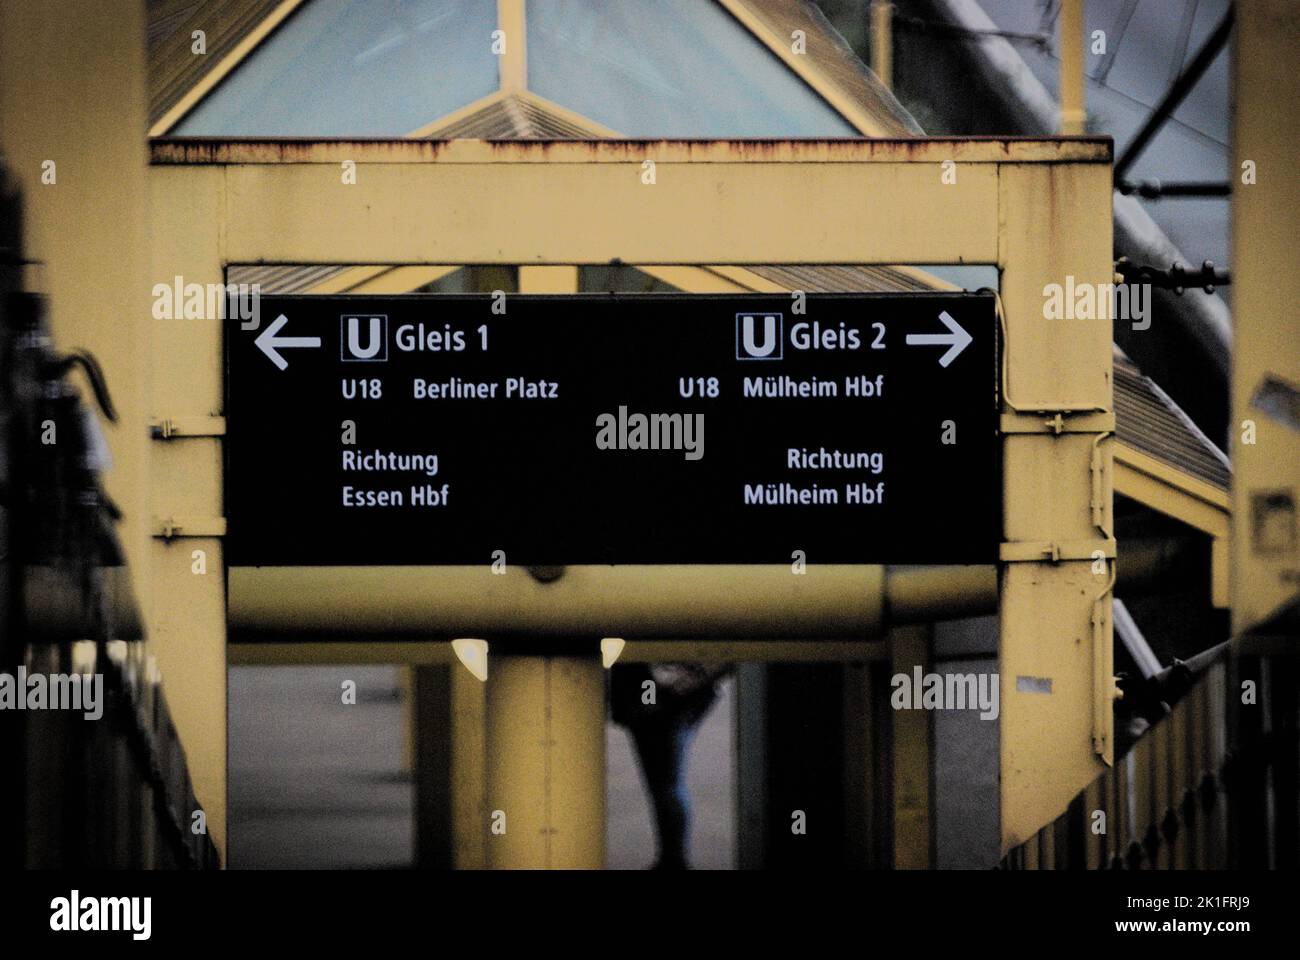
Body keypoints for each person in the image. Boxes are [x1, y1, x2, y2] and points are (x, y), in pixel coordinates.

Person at [609, 661, 730, 869]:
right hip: (666, 692)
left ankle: (673, 860)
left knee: (665, 784)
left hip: (658, 694)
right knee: (665, 784)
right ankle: (672, 859)